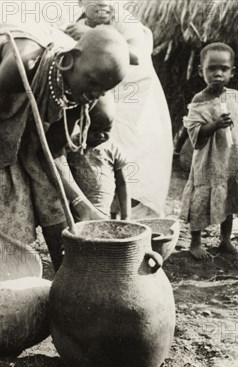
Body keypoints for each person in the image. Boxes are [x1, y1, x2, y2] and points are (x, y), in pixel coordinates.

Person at [0, 23, 131, 281]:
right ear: (68, 62)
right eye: (92, 84)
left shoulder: (78, 93)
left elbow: (50, 154)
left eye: (102, 91)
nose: (93, 96)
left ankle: (67, 278)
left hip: (43, 85)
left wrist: (82, 204)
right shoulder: (21, 62)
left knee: (46, 183)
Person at [64, 0, 173, 218]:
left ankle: (127, 219)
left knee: (128, 158)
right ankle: (95, 211)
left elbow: (137, 56)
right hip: (97, 96)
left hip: (131, 101)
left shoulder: (125, 21)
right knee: (93, 160)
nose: (104, 5)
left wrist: (91, 36)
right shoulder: (76, 23)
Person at [179, 43, 238, 259]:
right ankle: (195, 242)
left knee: (229, 198)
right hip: (208, 162)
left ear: (232, 71)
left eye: (223, 68)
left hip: (231, 160)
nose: (218, 73)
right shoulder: (199, 100)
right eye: (211, 69)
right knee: (201, 200)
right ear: (200, 71)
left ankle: (225, 240)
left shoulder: (235, 97)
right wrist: (214, 125)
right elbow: (195, 134)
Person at [63, 99, 131, 220]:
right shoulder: (70, 146)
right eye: (95, 129)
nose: (101, 135)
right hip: (75, 213)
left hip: (103, 212)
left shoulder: (113, 149)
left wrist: (126, 216)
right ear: (81, 123)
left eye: (107, 130)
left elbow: (122, 183)